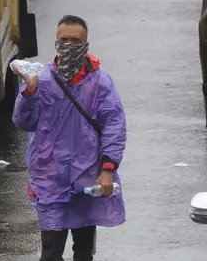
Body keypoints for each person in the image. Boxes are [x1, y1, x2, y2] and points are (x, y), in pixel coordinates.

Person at [13, 15, 127, 261]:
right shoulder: (40, 81)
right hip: (49, 178)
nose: (68, 45)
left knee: (83, 252)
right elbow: (23, 122)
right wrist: (29, 93)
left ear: (85, 44)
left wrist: (107, 169)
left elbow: (114, 126)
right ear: (56, 42)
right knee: (51, 252)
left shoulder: (101, 83)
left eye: (75, 40)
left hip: (85, 177)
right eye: (63, 39)